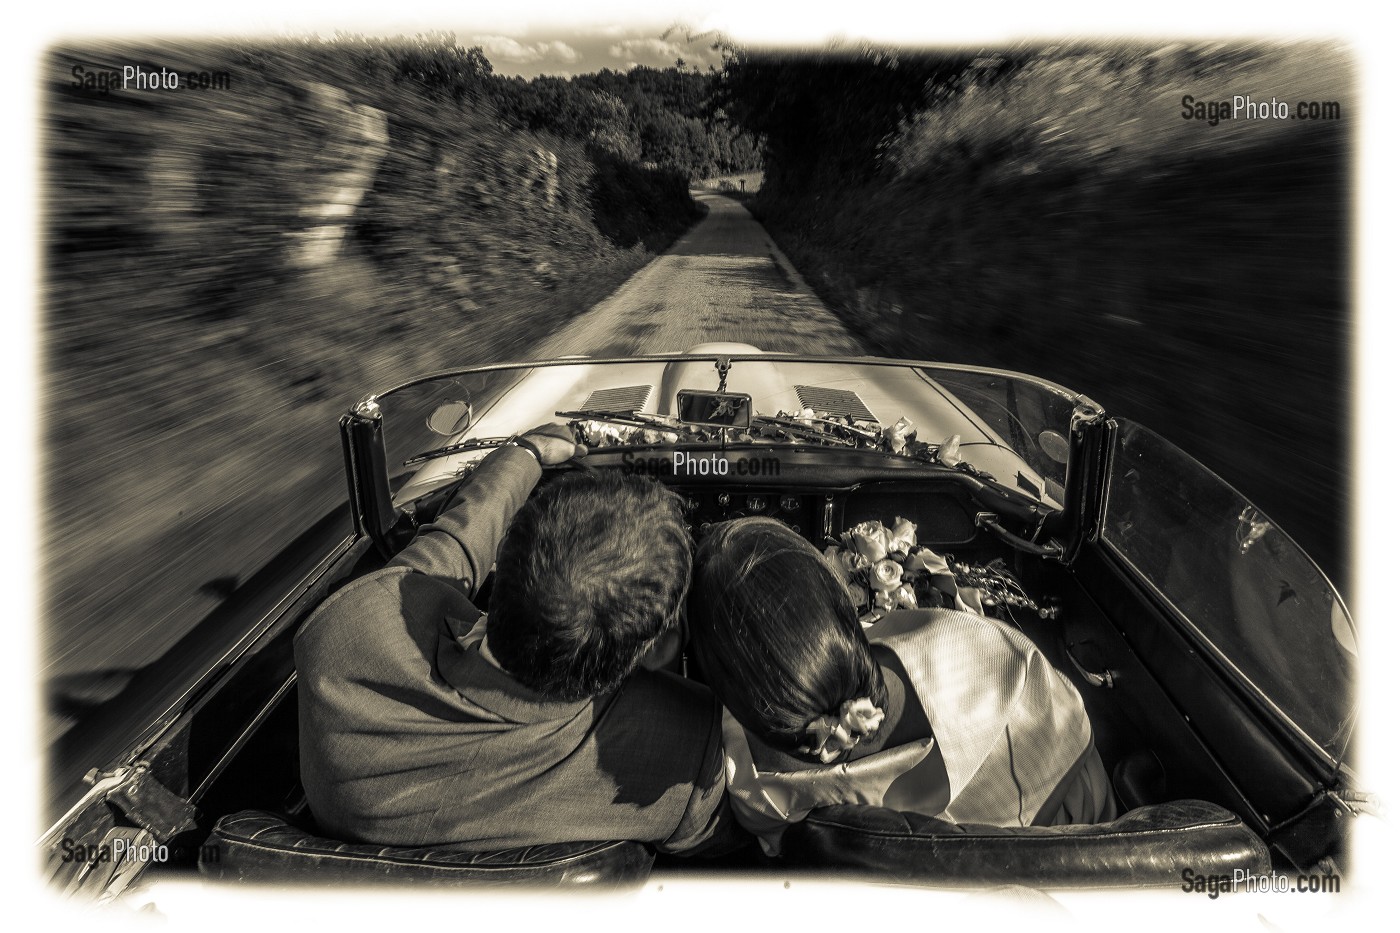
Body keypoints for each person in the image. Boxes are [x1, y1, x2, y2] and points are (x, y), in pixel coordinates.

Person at [296, 424, 741, 855]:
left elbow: (447, 548)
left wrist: (525, 452)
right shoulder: (680, 753)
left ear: (503, 557)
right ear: (655, 649)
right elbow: (731, 844)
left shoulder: (346, 635)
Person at [685, 517, 1115, 855]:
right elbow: (1068, 727)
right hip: (1083, 842)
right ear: (836, 602)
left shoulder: (752, 785)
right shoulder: (981, 649)